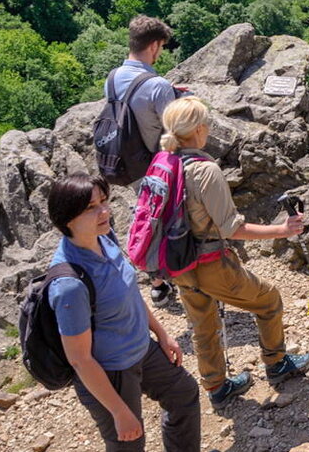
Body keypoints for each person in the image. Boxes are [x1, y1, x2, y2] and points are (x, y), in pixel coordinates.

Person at [161, 96, 309, 407]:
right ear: (200, 129)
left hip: (178, 263)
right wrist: (282, 231)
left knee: (203, 326)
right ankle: (277, 364)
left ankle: (217, 387)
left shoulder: (165, 164)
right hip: (209, 262)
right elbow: (232, 228)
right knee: (268, 299)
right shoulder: (205, 170)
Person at [47, 173, 200, 452]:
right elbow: (80, 360)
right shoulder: (68, 284)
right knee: (129, 443)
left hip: (143, 349)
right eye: (91, 208)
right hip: (111, 372)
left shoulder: (104, 238)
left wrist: (162, 335)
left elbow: (128, 291)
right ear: (67, 218)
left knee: (183, 394)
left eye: (104, 201)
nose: (104, 211)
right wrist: (118, 411)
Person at [109, 15, 182, 307]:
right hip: (156, 166)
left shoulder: (112, 77)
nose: (160, 53)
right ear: (153, 46)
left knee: (146, 217)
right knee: (171, 220)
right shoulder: (158, 85)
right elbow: (174, 131)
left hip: (126, 164)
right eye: (161, 47)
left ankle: (157, 284)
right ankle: (186, 276)